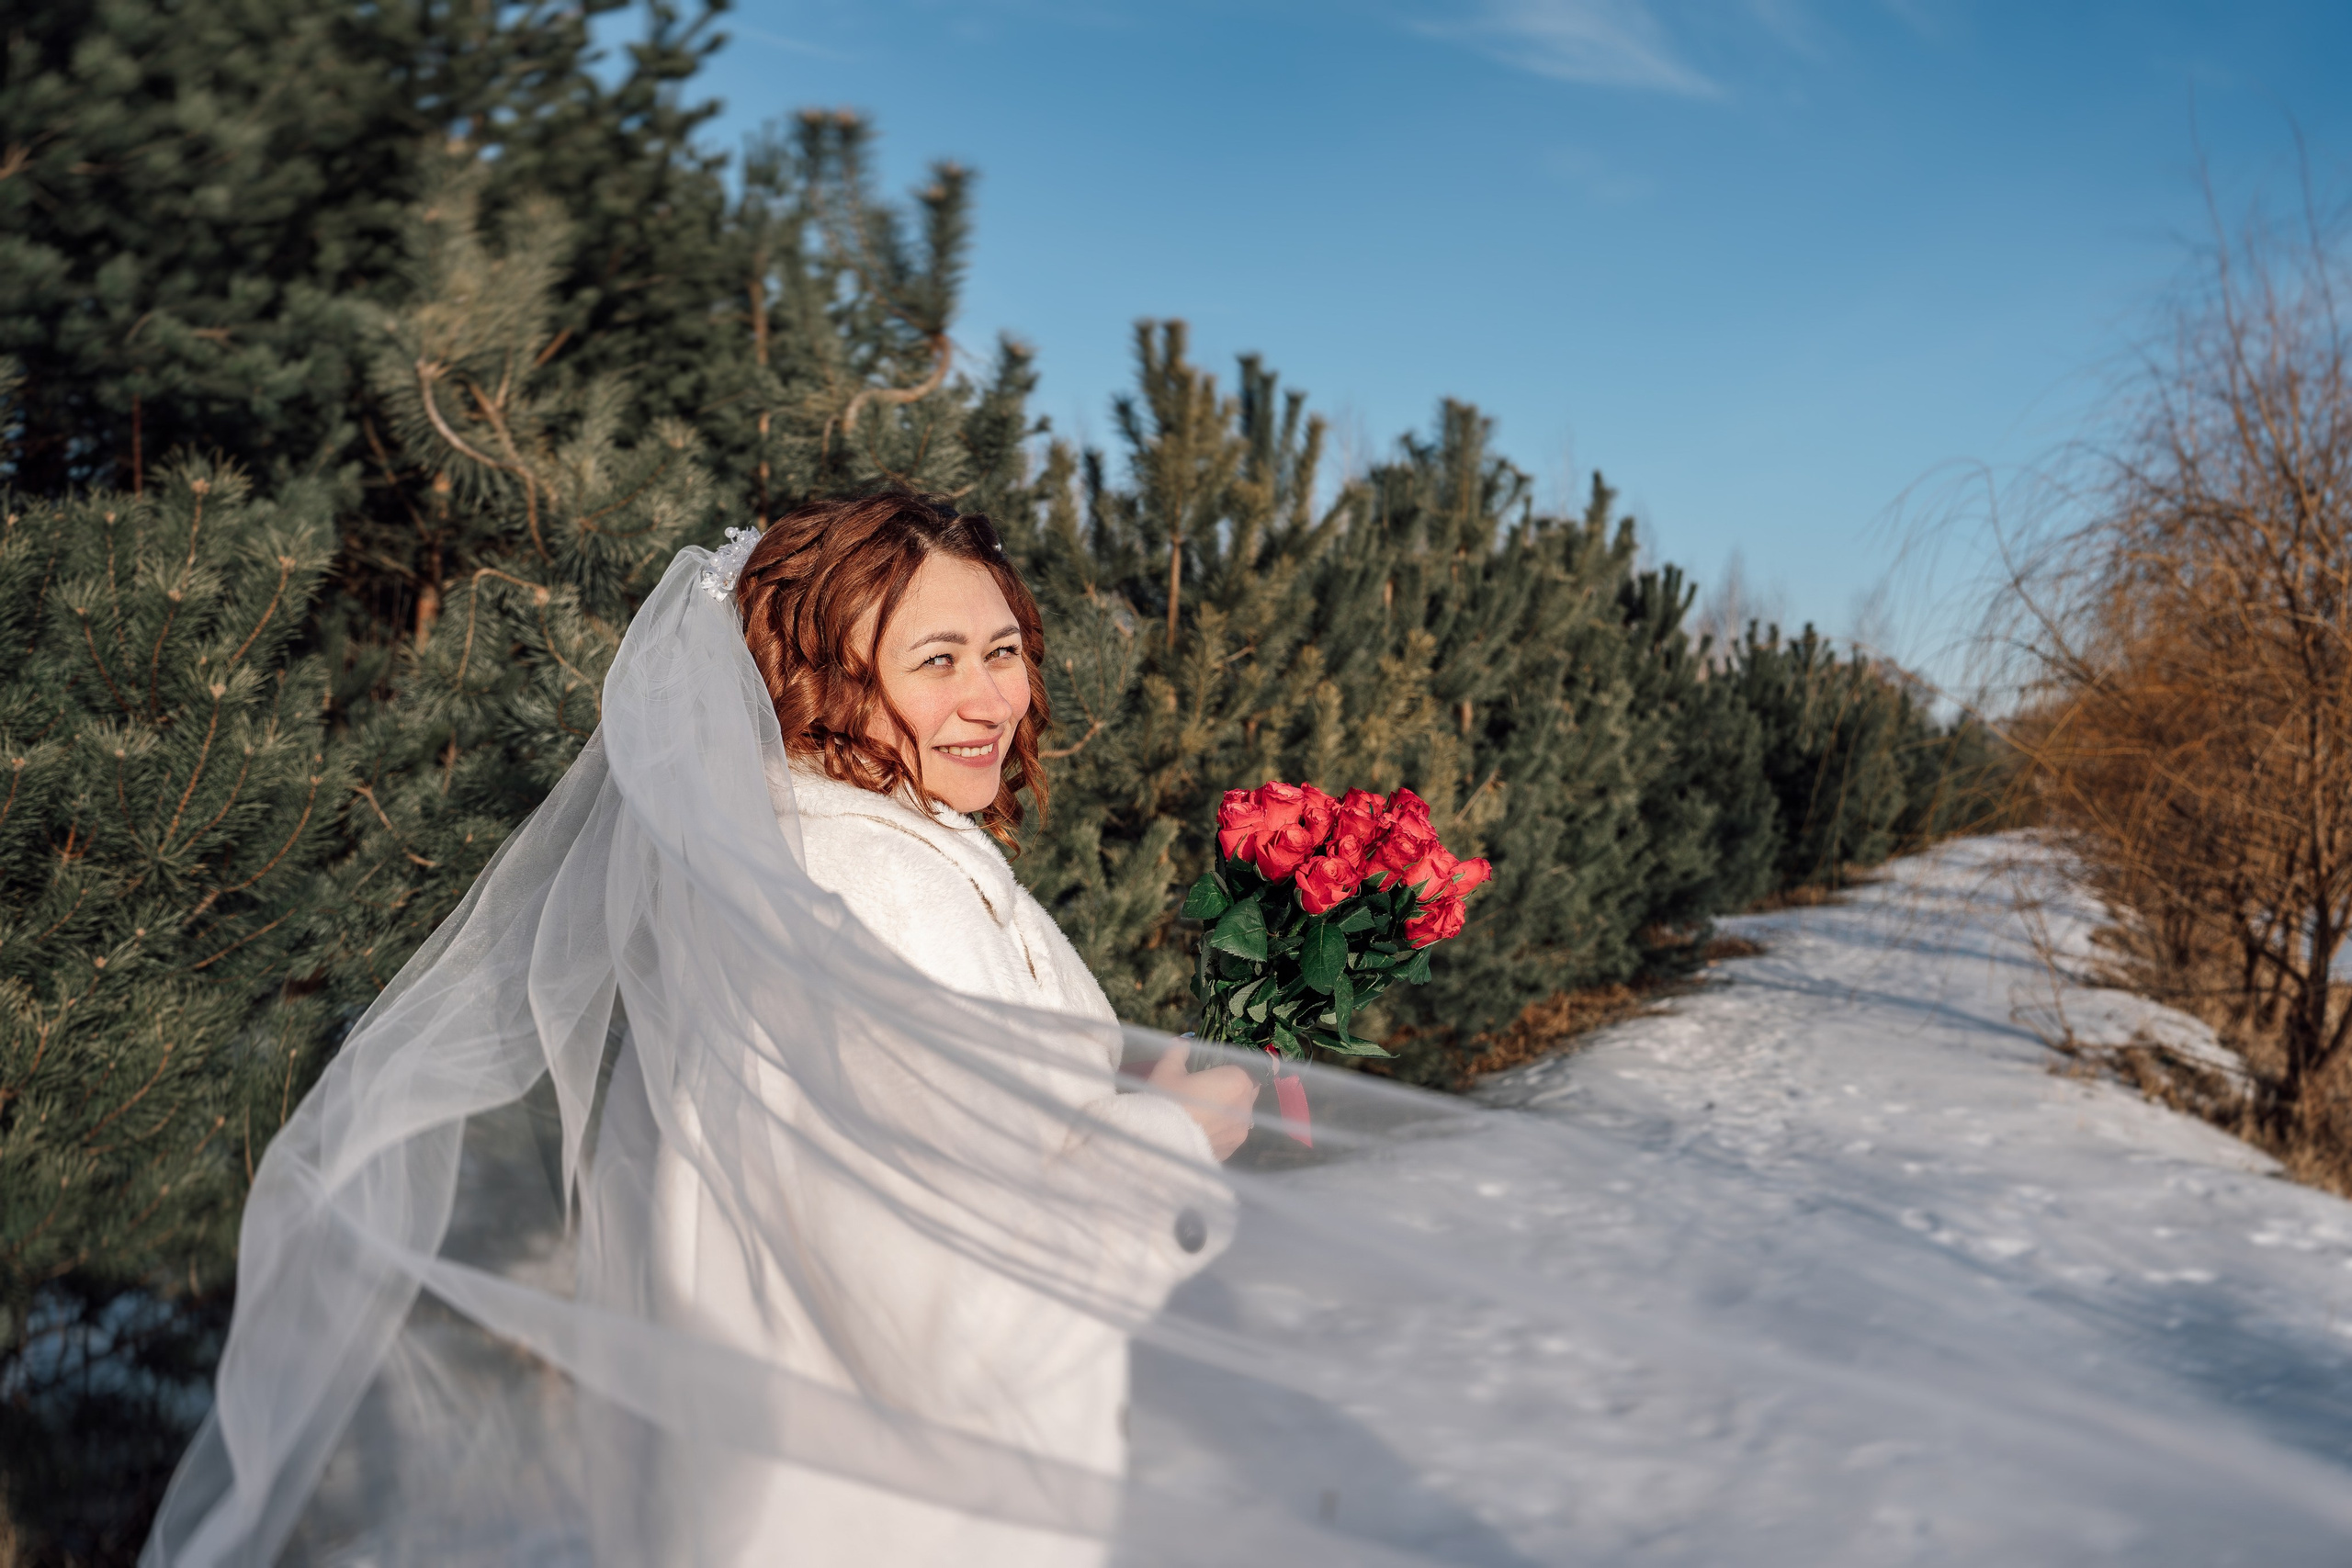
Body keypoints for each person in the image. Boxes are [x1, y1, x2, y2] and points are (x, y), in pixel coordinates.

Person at [141, 496, 1260, 1567]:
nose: (993, 699)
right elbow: (954, 1318)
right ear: (812, 682)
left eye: (1003, 648)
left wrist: (1117, 1102)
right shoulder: (868, 891)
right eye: (936, 661)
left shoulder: (851, 851)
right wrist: (1169, 1138)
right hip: (905, 1520)